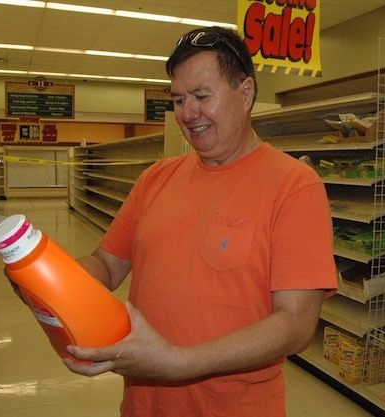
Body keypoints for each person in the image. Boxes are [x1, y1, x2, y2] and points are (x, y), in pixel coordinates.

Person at [63, 26, 337, 417]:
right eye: (178, 100)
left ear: (245, 93)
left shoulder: (293, 186)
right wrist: (50, 280)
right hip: (144, 405)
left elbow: (295, 324)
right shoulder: (155, 179)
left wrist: (179, 362)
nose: (188, 114)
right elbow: (106, 264)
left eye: (201, 96)